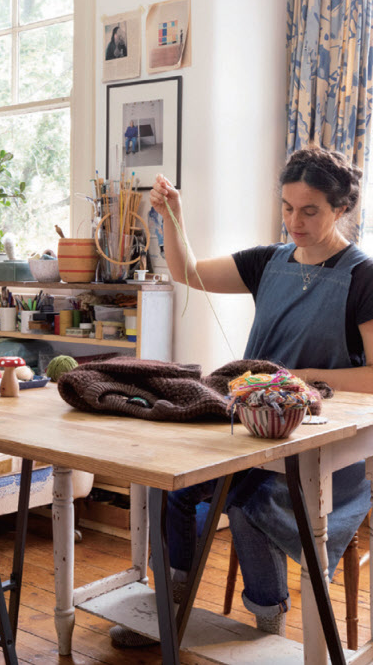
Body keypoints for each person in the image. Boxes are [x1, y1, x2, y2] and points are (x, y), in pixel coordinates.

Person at [110, 145, 373, 647]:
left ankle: (266, 630)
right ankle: (170, 608)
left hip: (323, 448)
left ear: (343, 208)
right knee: (169, 489)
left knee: (250, 505)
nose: (295, 220)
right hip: (248, 431)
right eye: (287, 207)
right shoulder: (266, 262)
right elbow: (186, 272)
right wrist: (173, 216)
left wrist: (296, 376)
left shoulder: (364, 277)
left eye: (310, 210)